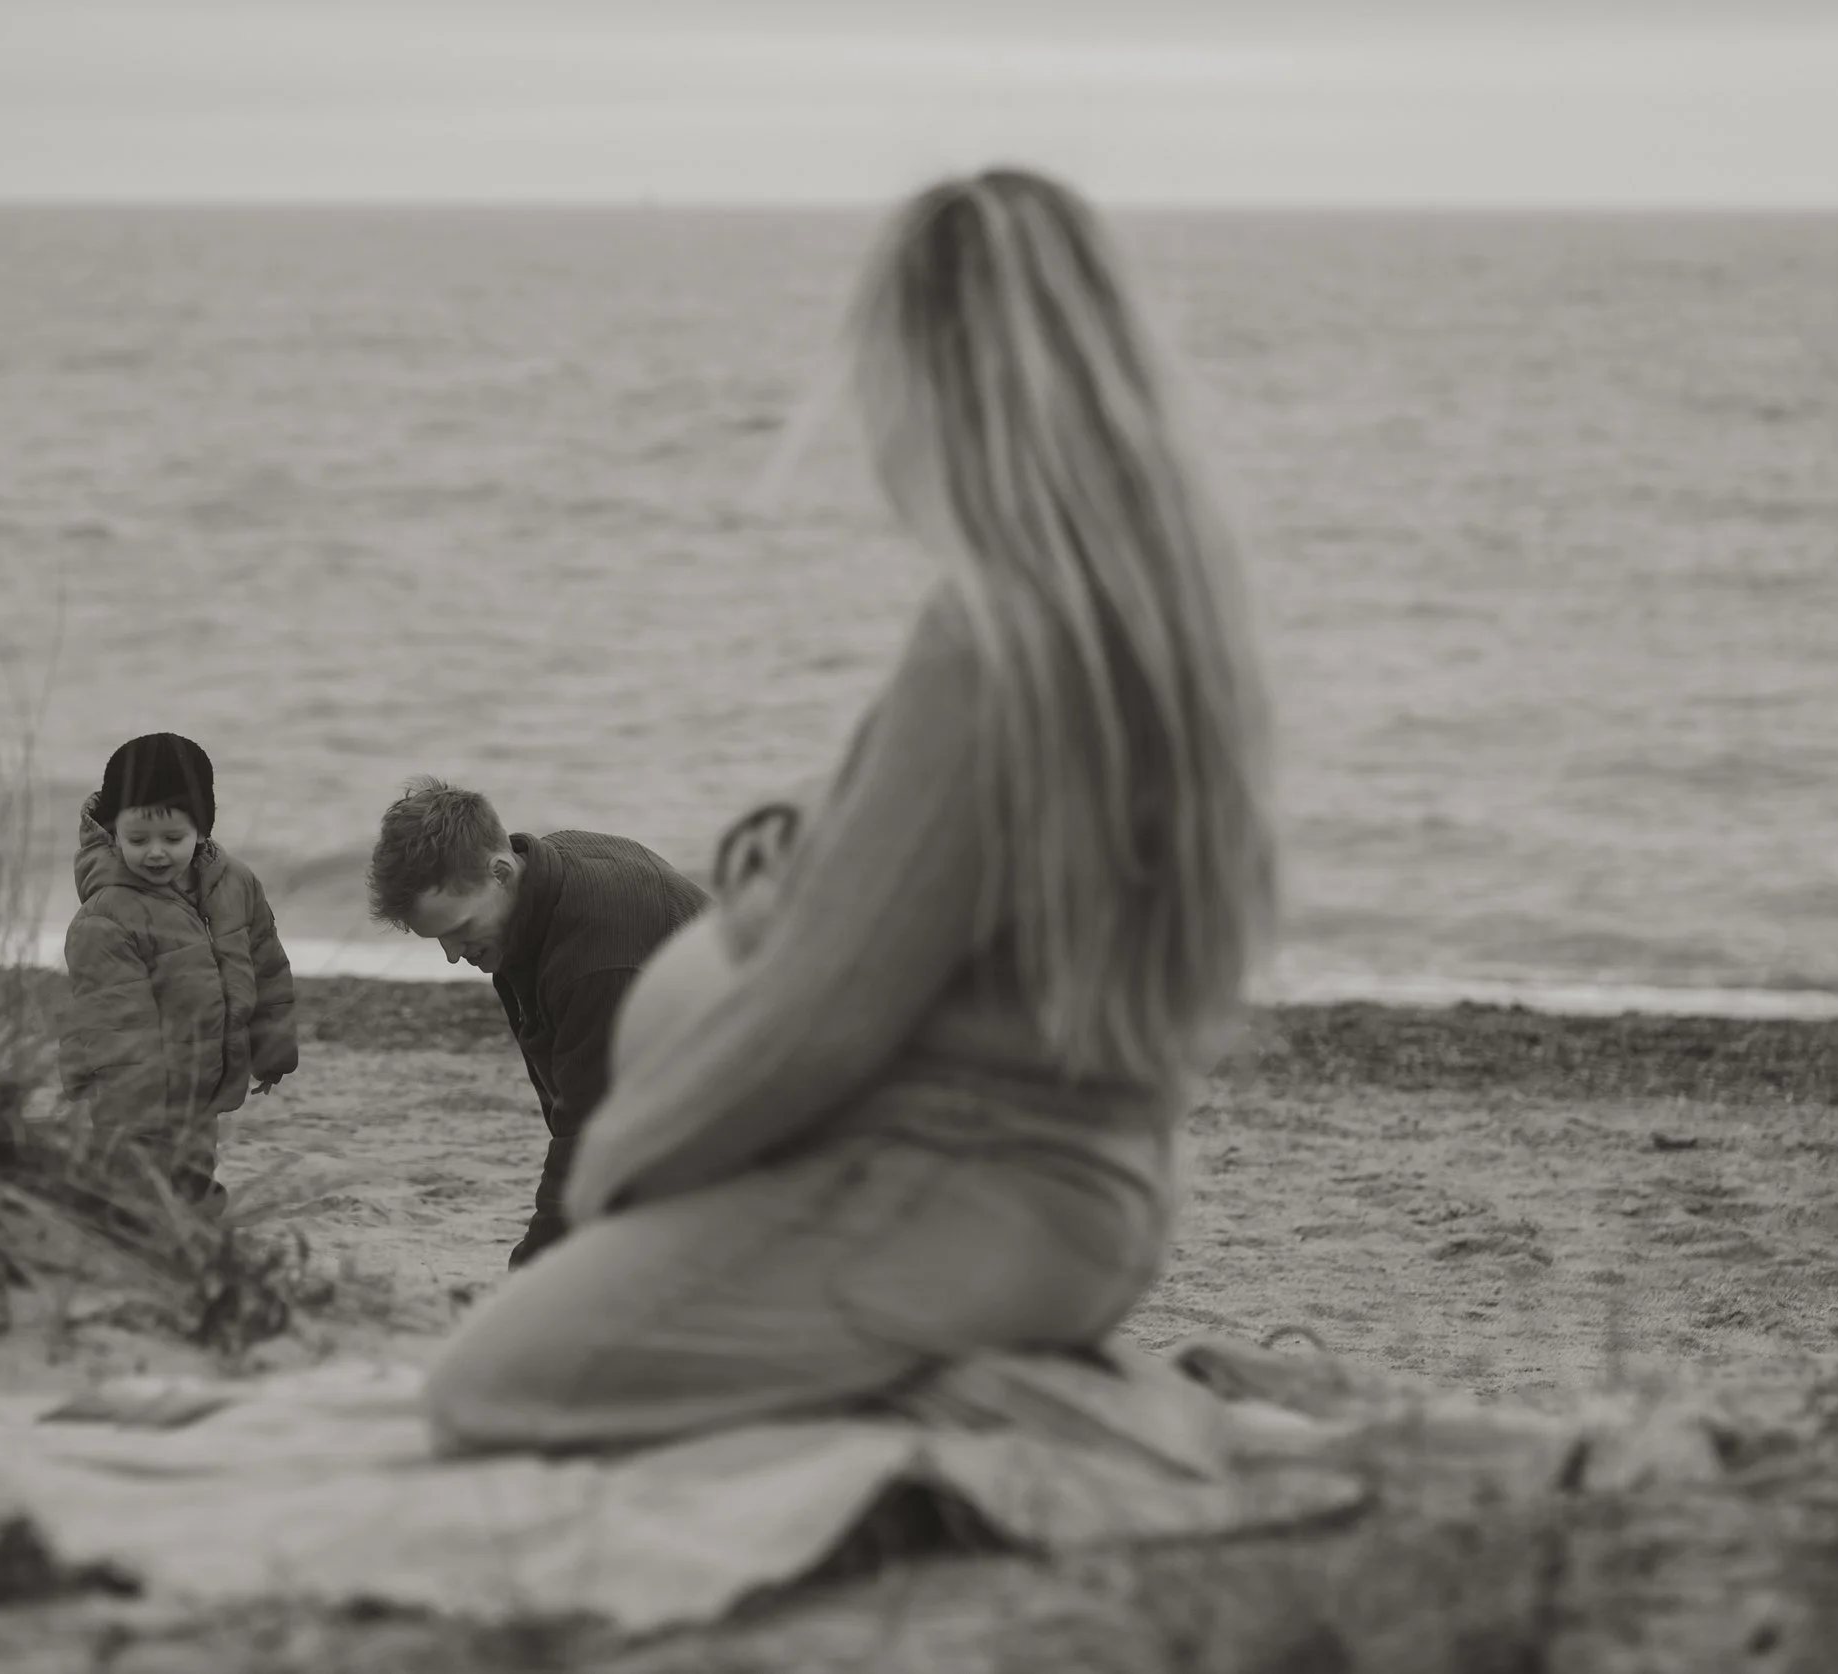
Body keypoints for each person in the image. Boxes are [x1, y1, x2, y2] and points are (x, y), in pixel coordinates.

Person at [422, 166, 1280, 1452]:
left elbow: (822, 1022)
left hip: (961, 1195)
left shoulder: (989, 639)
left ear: (929, 385)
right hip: (1081, 1187)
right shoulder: (1149, 606)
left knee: (493, 1381)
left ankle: (1015, 1405)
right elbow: (952, 880)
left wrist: (618, 1170)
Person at [368, 779, 709, 1267]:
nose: (451, 956)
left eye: (459, 930)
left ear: (501, 872)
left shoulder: (597, 958)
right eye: (438, 940)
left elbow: (589, 1143)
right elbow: (573, 1106)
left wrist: (528, 1273)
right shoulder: (534, 897)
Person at [61, 732, 300, 1216]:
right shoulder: (108, 914)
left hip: (201, 1087)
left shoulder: (234, 884)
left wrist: (272, 1049)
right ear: (112, 832)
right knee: (137, 1195)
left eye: (173, 838)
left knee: (193, 1180)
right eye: (137, 839)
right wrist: (134, 1110)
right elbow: (113, 1024)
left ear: (202, 830)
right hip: (132, 1102)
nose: (155, 853)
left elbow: (266, 966)